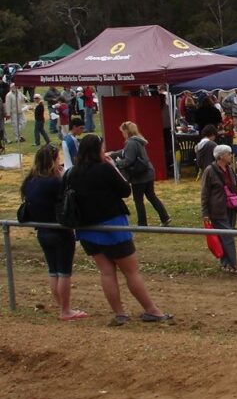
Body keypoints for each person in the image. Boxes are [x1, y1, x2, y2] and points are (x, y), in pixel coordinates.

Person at [69, 134, 172, 324]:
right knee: (131, 272)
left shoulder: (73, 172)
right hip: (113, 227)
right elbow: (126, 191)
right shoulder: (104, 169)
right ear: (96, 150)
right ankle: (152, 310)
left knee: (106, 273)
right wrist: (113, 166)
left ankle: (119, 313)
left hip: (87, 230)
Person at [20, 144, 87, 320]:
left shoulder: (30, 181)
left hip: (42, 231)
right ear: (53, 160)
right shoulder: (55, 181)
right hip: (60, 231)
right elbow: (67, 199)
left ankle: (62, 307)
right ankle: (65, 310)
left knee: (53, 271)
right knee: (64, 272)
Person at [108, 121, 171, 227]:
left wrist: (116, 162)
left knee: (138, 200)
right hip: (148, 173)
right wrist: (113, 154)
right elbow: (125, 152)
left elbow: (128, 160)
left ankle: (142, 223)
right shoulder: (138, 140)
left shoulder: (130, 143)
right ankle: (165, 217)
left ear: (126, 131)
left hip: (140, 176)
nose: (122, 134)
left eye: (123, 131)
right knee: (151, 196)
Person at [200, 144, 237, 273]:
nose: (230, 156)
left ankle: (225, 264)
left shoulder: (230, 169)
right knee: (228, 237)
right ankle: (233, 264)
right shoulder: (209, 171)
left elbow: (235, 187)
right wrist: (205, 212)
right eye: (229, 154)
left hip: (231, 207)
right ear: (221, 156)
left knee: (224, 236)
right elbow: (205, 193)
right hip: (217, 209)